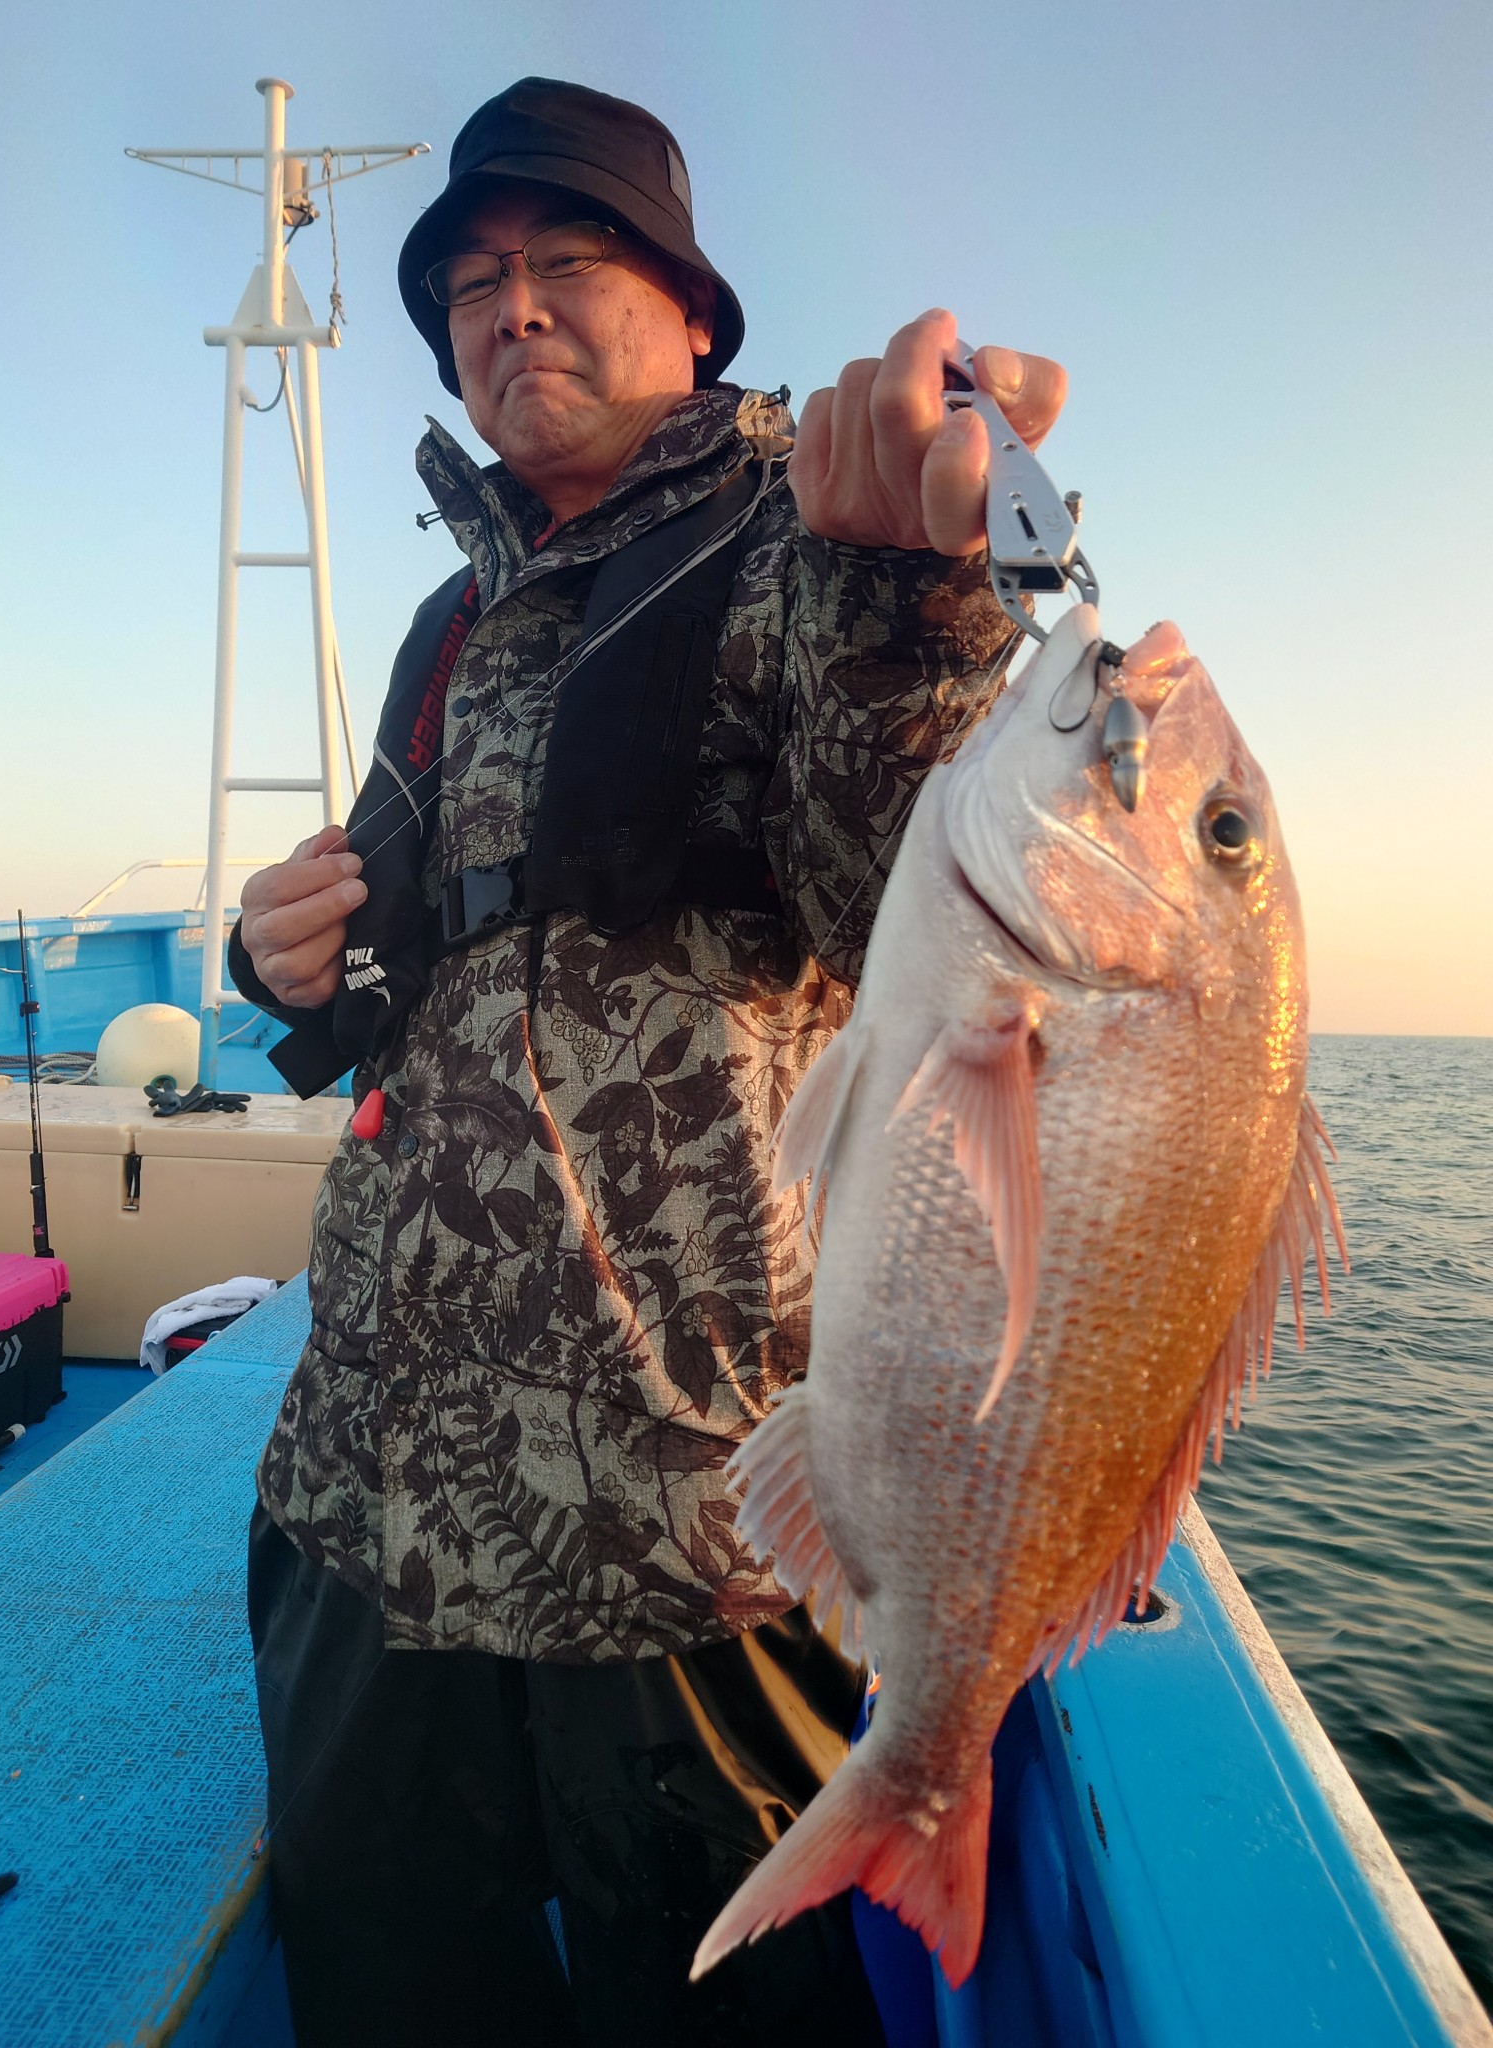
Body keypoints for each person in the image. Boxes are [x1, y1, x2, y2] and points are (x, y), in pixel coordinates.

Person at [231, 76, 1066, 2048]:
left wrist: (926, 591)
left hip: (682, 1530)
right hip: (366, 1503)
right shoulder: (449, 619)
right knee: (384, 1997)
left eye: (566, 260)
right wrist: (283, 957)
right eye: (472, 284)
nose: (510, 307)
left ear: (694, 312)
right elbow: (402, 975)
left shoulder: (813, 549)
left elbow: (901, 904)